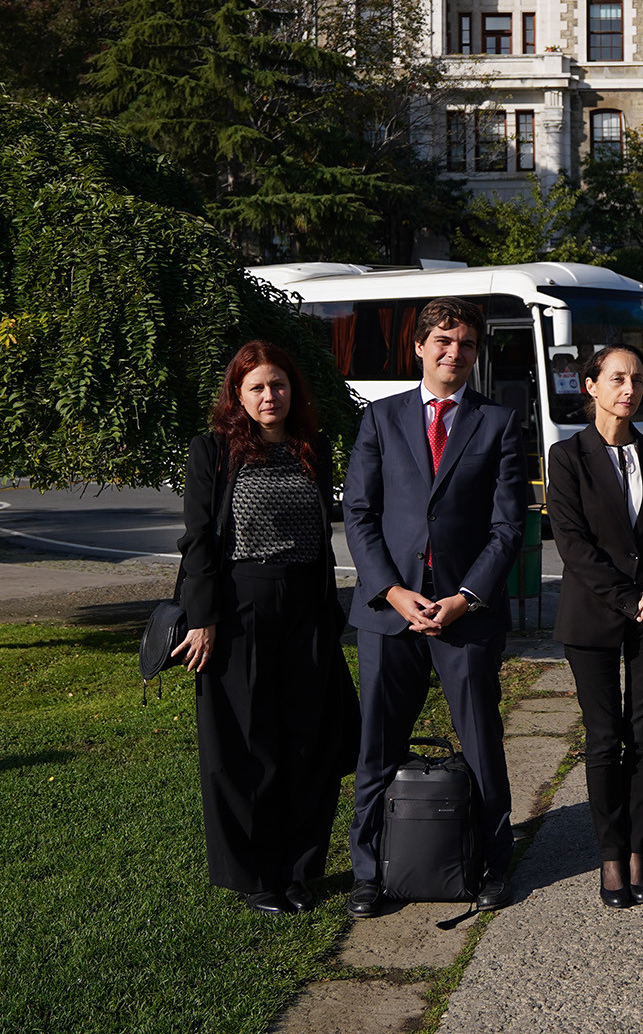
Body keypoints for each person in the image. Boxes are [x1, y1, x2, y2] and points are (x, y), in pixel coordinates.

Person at [343, 297, 529, 917]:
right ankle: (368, 872)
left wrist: (466, 597)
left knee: (481, 742)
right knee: (378, 745)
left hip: (464, 614)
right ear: (419, 347)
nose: (456, 354)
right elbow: (360, 514)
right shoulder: (380, 419)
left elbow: (508, 527)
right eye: (445, 342)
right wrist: (393, 592)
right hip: (388, 612)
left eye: (468, 345)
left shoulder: (499, 423)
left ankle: (490, 864)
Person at [176, 341, 354, 915]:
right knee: (246, 743)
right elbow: (198, 541)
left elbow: (326, 542)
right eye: (255, 387)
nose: (269, 396)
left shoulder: (312, 448)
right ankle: (257, 876)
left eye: (277, 385)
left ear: (292, 389)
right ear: (237, 395)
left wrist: (332, 610)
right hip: (240, 605)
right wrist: (203, 619)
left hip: (308, 604)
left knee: (308, 740)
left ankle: (300, 870)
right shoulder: (214, 451)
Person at [547, 345, 643, 908]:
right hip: (592, 616)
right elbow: (572, 544)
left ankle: (639, 850)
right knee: (602, 738)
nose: (629, 390)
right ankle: (610, 856)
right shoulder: (566, 457)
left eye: (637, 380)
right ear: (590, 386)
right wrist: (627, 597)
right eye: (617, 379)